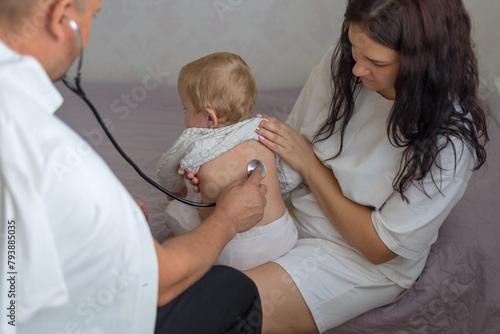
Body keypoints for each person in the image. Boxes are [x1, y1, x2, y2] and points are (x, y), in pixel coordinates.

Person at [182, 0, 489, 333]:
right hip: (293, 212)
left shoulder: (448, 142)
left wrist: (313, 167)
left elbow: (378, 247)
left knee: (212, 312)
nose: (358, 69)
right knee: (168, 274)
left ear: (422, 62)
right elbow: (288, 148)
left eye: (376, 62)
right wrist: (220, 175)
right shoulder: (343, 65)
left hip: (354, 256)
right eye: (355, 49)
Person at [0, 1, 267, 333]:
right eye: (92, 17)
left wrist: (108, 224)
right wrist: (228, 219)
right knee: (236, 289)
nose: (89, 31)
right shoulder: (51, 151)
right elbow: (159, 280)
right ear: (62, 16)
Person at [157, 52, 300, 270]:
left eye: (185, 109)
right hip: (282, 239)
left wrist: (175, 188)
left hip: (233, 252)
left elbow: (166, 169)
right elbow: (289, 174)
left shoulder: (192, 142)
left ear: (209, 118)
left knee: (175, 211)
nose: (184, 116)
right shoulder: (261, 129)